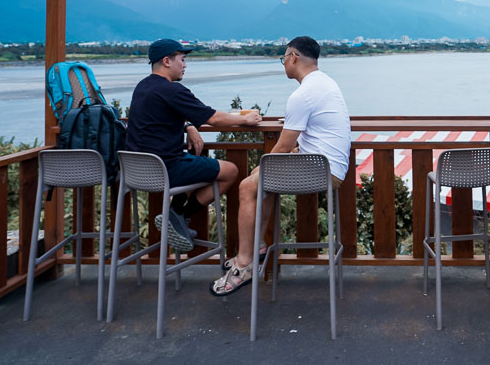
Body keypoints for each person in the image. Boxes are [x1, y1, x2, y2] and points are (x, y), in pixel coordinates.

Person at [211, 35, 351, 296]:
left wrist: (259, 169)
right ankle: (259, 248)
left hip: (319, 172)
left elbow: (284, 147)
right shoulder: (326, 83)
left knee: (246, 185)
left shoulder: (303, 94)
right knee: (262, 183)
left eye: (283, 58)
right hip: (330, 169)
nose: (284, 63)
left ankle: (244, 264)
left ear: (293, 57)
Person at [126, 38, 262, 252]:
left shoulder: (142, 87)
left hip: (137, 171)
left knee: (198, 164)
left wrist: (188, 126)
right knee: (230, 171)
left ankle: (176, 214)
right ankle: (178, 215)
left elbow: (162, 115)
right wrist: (246, 120)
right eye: (183, 59)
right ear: (167, 61)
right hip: (167, 169)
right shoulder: (173, 90)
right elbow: (214, 118)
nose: (185, 65)